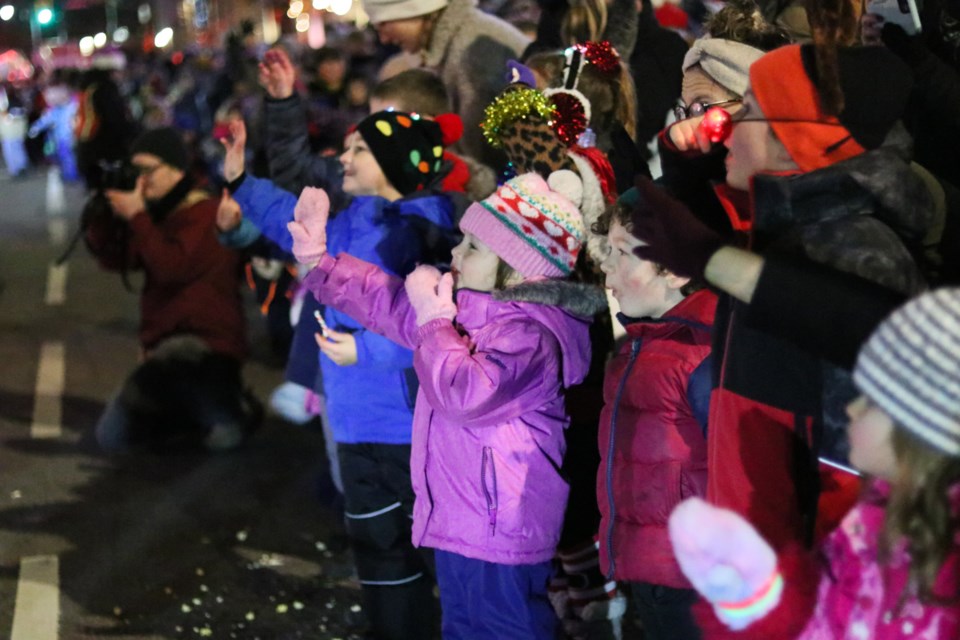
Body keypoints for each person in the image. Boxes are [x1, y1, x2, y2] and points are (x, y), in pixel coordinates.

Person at [629, 42, 933, 550]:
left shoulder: (849, 252)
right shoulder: (791, 233)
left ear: (796, 137)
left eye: (746, 109)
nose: (721, 127)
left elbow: (859, 474)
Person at [292, 170, 607, 638]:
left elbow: (466, 393)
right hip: (462, 521)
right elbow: (390, 303)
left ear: (518, 270)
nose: (455, 254)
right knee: (462, 628)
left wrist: (435, 321)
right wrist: (320, 263)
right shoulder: (469, 309)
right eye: (462, 241)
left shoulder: (532, 337)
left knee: (509, 629)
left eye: (474, 248)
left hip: (503, 531)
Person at [221, 110, 460, 640]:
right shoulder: (353, 219)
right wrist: (242, 181)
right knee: (380, 560)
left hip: (411, 431)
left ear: (394, 163)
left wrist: (368, 348)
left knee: (443, 562)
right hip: (354, 429)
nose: (342, 159)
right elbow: (291, 217)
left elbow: (443, 327)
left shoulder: (426, 229)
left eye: (359, 151)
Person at [669, 288, 960, 639]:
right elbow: (821, 614)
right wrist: (755, 598)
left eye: (871, 400)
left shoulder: (944, 556)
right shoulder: (868, 521)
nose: (851, 408)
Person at [85, 127, 257, 453]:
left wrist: (136, 215)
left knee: (226, 438)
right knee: (115, 437)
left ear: (177, 169)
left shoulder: (205, 213)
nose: (140, 180)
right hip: (163, 345)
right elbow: (118, 260)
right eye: (135, 172)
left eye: (148, 171)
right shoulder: (159, 212)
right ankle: (191, 413)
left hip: (206, 348)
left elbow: (170, 268)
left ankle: (236, 407)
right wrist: (103, 215)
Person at [594, 197, 716, 639]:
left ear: (677, 270)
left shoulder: (703, 357)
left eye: (622, 253)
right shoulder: (640, 345)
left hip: (697, 585)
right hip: (651, 569)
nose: (607, 272)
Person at [362, 0, 530, 170]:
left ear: (411, 11)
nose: (384, 39)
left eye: (384, 24)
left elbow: (488, 154)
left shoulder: (477, 51)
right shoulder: (457, 43)